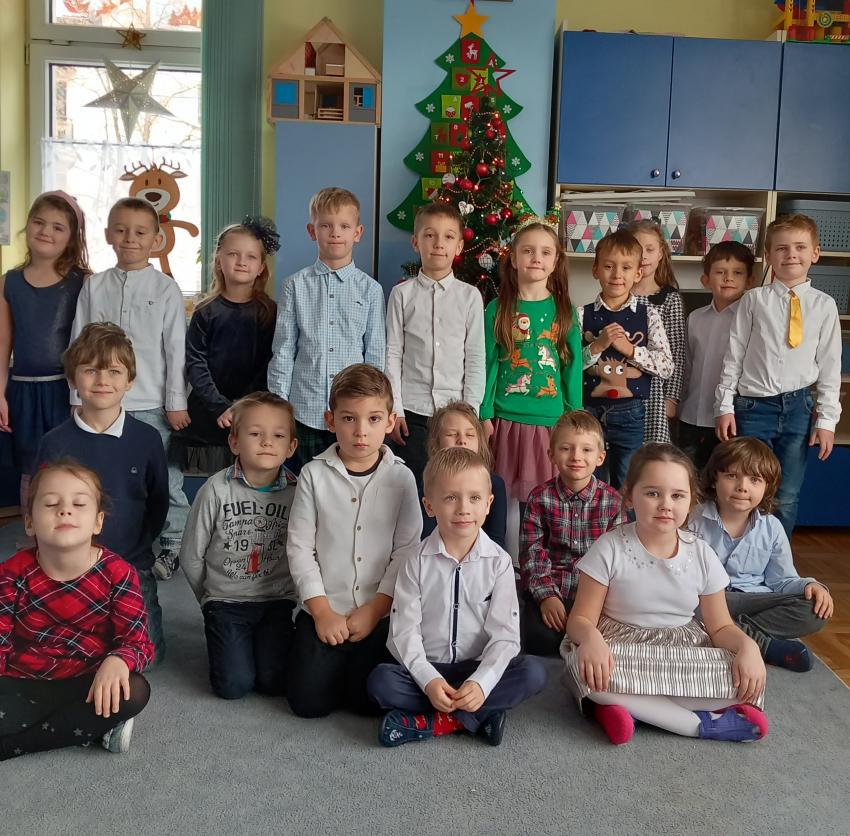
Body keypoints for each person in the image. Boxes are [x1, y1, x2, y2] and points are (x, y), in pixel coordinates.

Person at [562, 443, 768, 745]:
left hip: (680, 651)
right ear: (629, 496)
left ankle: (628, 708)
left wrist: (748, 647)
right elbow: (580, 620)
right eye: (652, 493)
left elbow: (721, 627)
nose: (665, 505)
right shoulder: (610, 547)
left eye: (677, 496)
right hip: (620, 648)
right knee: (585, 669)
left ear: (691, 500)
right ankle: (697, 725)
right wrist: (592, 640)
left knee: (747, 679)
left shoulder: (701, 554)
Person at [368, 447, 547, 747]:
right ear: (429, 505)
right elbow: (404, 632)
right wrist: (429, 680)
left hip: (476, 666)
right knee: (381, 681)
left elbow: (505, 636)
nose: (464, 509)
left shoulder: (499, 563)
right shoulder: (415, 561)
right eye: (451, 498)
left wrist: (481, 683)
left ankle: (435, 723)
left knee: (533, 673)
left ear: (488, 504)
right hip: (429, 668)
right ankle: (478, 717)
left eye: (474, 498)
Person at [285, 364, 422, 717]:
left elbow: (406, 551)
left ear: (390, 422)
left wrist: (375, 609)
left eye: (373, 419)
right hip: (324, 608)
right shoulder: (313, 475)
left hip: (378, 612)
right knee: (308, 705)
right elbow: (300, 547)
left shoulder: (403, 478)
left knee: (369, 705)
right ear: (330, 421)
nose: (361, 431)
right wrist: (321, 612)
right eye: (349, 419)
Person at [70, 196, 190, 580]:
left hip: (152, 402)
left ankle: (172, 544)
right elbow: (78, 344)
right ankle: (103, 543)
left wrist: (176, 401)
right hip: (100, 403)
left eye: (140, 232)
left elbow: (176, 349)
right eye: (121, 231)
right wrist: (76, 397)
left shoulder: (166, 288)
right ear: (108, 235)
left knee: (165, 479)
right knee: (104, 475)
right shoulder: (95, 286)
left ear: (156, 239)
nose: (130, 239)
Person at [0, 461, 153, 760]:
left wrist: (118, 659)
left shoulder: (118, 573)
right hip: (23, 677)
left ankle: (12, 746)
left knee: (134, 691)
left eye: (79, 504)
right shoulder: (11, 573)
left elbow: (138, 642)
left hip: (86, 680)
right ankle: (90, 728)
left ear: (98, 522)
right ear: (29, 522)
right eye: (51, 504)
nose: (65, 511)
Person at [35, 323, 169, 663]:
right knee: (70, 657)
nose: (102, 380)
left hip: (132, 566)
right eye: (90, 370)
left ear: (130, 380)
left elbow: (158, 503)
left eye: (114, 371)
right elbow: (41, 506)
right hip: (69, 569)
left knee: (146, 660)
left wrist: (138, 549)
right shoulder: (54, 442)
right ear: (72, 379)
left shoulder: (147, 439)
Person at [715, 213, 842, 538]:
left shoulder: (824, 306)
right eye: (782, 249)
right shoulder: (754, 300)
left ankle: (775, 557)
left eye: (800, 247)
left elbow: (830, 367)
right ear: (768, 255)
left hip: (798, 410)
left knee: (786, 495)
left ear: (815, 253)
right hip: (753, 408)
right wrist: (724, 406)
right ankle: (740, 551)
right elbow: (734, 356)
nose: (791, 255)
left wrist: (827, 420)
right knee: (745, 489)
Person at [180, 392, 299, 700]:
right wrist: (209, 597)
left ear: (291, 447)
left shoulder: (298, 493)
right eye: (255, 434)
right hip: (226, 602)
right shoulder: (215, 490)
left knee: (274, 682)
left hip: (276, 601)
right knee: (234, 685)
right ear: (234, 442)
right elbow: (191, 554)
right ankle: (224, 638)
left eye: (278, 436)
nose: (267, 442)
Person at [690, 437, 832, 673]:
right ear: (715, 479)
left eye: (754, 480)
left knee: (814, 610)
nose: (742, 487)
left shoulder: (772, 527)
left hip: (755, 601)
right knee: (683, 607)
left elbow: (783, 580)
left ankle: (726, 634)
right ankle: (765, 646)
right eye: (732, 476)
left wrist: (811, 585)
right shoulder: (693, 520)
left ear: (767, 487)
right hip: (708, 601)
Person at [267, 187, 385, 469]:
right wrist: (279, 405)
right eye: (326, 226)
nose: (335, 233)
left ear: (357, 233)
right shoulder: (294, 286)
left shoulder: (370, 290)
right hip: (304, 410)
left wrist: (373, 408)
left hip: (352, 414)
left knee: (349, 483)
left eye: (344, 226)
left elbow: (375, 355)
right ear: (312, 231)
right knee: (302, 482)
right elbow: (283, 351)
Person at [173, 217, 280, 509]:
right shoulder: (205, 311)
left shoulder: (269, 312)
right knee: (209, 489)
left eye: (251, 257)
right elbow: (195, 362)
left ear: (261, 267)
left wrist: (243, 405)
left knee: (247, 488)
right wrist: (219, 405)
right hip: (209, 412)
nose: (241, 262)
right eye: (233, 254)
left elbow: (269, 362)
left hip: (252, 410)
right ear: (219, 261)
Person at [480, 216, 582, 518]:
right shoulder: (498, 309)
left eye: (545, 252)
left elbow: (571, 367)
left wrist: (574, 416)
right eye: (527, 251)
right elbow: (487, 362)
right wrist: (484, 412)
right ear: (513, 259)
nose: (536, 258)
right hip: (505, 419)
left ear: (555, 261)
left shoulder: (564, 310)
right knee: (503, 499)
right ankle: (505, 549)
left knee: (543, 501)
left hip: (549, 422)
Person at [386, 202, 485, 488]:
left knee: (453, 485)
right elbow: (392, 353)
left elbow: (475, 356)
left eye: (448, 236)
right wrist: (396, 409)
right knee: (413, 485)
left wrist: (471, 413)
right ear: (416, 242)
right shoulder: (401, 295)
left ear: (459, 246)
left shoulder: (470, 297)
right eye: (430, 235)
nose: (439, 243)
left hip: (456, 416)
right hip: (412, 414)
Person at [0, 191, 89, 507]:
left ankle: (71, 528)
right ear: (27, 225)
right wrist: (0, 394)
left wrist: (82, 396)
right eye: (39, 222)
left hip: (66, 391)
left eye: (57, 227)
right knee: (31, 468)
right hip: (22, 392)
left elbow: (89, 345)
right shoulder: (9, 282)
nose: (46, 231)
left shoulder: (83, 282)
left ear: (72, 237)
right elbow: (3, 344)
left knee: (70, 465)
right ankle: (32, 530)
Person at [519, 410, 627, 656]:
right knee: (539, 639)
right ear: (551, 455)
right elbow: (531, 553)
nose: (576, 456)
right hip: (552, 588)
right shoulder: (539, 498)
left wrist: (600, 603)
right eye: (566, 448)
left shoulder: (612, 502)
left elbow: (619, 559)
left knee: (605, 643)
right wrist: (546, 596)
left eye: (586, 450)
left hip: (596, 595)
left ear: (600, 457)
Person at [577, 230, 673, 489]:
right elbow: (570, 366)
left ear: (638, 274)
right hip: (589, 411)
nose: (617, 274)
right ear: (596, 270)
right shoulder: (581, 315)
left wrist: (631, 350)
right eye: (609, 266)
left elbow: (666, 366)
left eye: (626, 268)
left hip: (630, 412)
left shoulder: (649, 314)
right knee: (589, 479)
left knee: (627, 481)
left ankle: (625, 517)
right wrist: (597, 346)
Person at [679, 242, 754, 471]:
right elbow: (687, 364)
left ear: (749, 281)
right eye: (720, 272)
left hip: (728, 418)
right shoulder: (695, 318)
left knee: (722, 475)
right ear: (705, 280)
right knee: (687, 473)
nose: (728, 278)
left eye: (737, 273)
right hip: (691, 414)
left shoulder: (751, 320)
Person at [627, 219, 685, 445]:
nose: (643, 256)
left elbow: (677, 353)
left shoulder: (669, 299)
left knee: (650, 453)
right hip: (620, 387)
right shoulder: (618, 294)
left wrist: (671, 397)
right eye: (637, 250)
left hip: (655, 393)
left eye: (650, 249)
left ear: (660, 253)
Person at [421, 400, 507, 548]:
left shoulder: (495, 484)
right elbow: (425, 536)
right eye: (452, 434)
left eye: (470, 435)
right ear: (436, 443)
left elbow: (496, 540)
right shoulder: (426, 482)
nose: (462, 441)